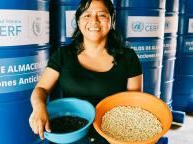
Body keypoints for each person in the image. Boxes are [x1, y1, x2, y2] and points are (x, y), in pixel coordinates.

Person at [29, 0, 143, 142]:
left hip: (112, 136)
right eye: (87, 15)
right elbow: (41, 89)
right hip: (69, 135)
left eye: (101, 15)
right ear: (78, 21)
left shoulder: (128, 57)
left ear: (111, 20)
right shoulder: (63, 55)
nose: (94, 21)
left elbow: (134, 103)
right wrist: (39, 106)